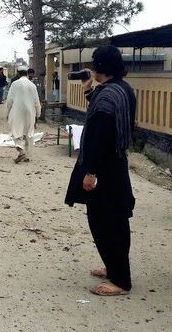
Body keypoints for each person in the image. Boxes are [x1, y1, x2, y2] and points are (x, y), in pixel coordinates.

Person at [65, 45, 136, 297]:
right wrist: (87, 88)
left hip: (104, 168)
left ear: (101, 66)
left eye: (94, 64)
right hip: (115, 163)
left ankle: (120, 281)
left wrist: (91, 172)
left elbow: (102, 136)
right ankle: (113, 268)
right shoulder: (120, 89)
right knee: (113, 219)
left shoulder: (107, 96)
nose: (92, 69)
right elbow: (98, 107)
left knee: (105, 223)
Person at [6, 67, 41, 163]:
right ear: (27, 73)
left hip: (17, 111)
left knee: (16, 132)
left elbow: (9, 100)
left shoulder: (14, 84)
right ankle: (28, 156)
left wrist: (8, 112)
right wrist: (38, 114)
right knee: (29, 133)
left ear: (18, 73)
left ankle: (21, 152)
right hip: (30, 112)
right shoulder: (32, 85)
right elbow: (37, 101)